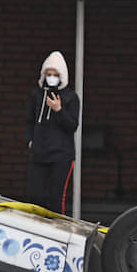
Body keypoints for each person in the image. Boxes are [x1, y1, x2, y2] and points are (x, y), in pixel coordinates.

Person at [25, 51, 80, 214]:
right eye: (48, 74)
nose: (51, 77)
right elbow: (29, 120)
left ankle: (58, 234)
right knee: (34, 195)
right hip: (39, 153)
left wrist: (59, 109)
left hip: (61, 155)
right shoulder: (36, 95)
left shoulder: (70, 97)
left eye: (55, 74)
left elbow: (72, 126)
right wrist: (29, 140)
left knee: (56, 197)